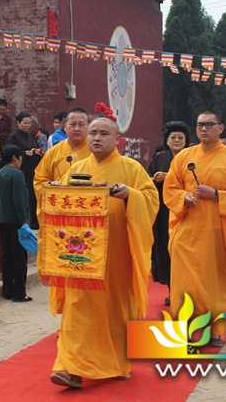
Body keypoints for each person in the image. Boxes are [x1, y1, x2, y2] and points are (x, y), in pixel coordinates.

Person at [49, 116, 159, 388]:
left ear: (117, 139)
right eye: (93, 133)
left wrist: (131, 195)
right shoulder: (76, 168)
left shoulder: (131, 168)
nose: (96, 138)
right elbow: (61, 201)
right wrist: (53, 190)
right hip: (81, 255)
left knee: (116, 309)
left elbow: (151, 201)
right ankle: (69, 368)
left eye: (104, 134)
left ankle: (118, 363)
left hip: (117, 253)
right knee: (77, 308)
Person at [164, 110, 226, 347]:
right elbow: (171, 187)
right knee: (183, 281)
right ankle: (183, 330)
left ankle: (214, 330)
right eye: (200, 124)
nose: (203, 129)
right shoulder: (184, 156)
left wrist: (216, 195)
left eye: (209, 124)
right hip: (188, 228)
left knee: (214, 282)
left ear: (220, 128)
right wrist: (184, 198)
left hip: (217, 231)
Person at [146, 121, 190, 305]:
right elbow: (145, 182)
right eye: (173, 137)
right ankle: (173, 292)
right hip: (163, 214)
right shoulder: (159, 159)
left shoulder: (192, 159)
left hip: (185, 213)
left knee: (184, 253)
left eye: (181, 137)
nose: (177, 140)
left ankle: (187, 294)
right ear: (167, 140)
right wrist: (154, 179)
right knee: (166, 252)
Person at [33, 108, 91, 225]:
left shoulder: (96, 152)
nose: (76, 128)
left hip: (87, 211)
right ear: (65, 127)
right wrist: (50, 187)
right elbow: (39, 180)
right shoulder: (53, 152)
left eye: (81, 124)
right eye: (72, 124)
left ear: (89, 127)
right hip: (60, 210)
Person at [0, 145, 32, 303]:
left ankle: (7, 290)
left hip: (1, 219)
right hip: (16, 221)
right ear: (15, 158)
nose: (21, 161)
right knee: (20, 258)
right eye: (20, 157)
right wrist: (24, 221)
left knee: (7, 256)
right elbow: (18, 201)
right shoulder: (17, 174)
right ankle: (19, 293)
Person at [7, 112, 42, 230]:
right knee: (23, 195)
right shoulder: (13, 136)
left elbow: (36, 147)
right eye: (25, 123)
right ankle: (24, 220)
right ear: (18, 123)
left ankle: (34, 221)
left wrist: (37, 152)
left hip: (32, 170)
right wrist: (23, 153)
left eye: (29, 123)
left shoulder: (31, 136)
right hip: (20, 170)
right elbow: (9, 152)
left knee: (32, 195)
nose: (27, 126)